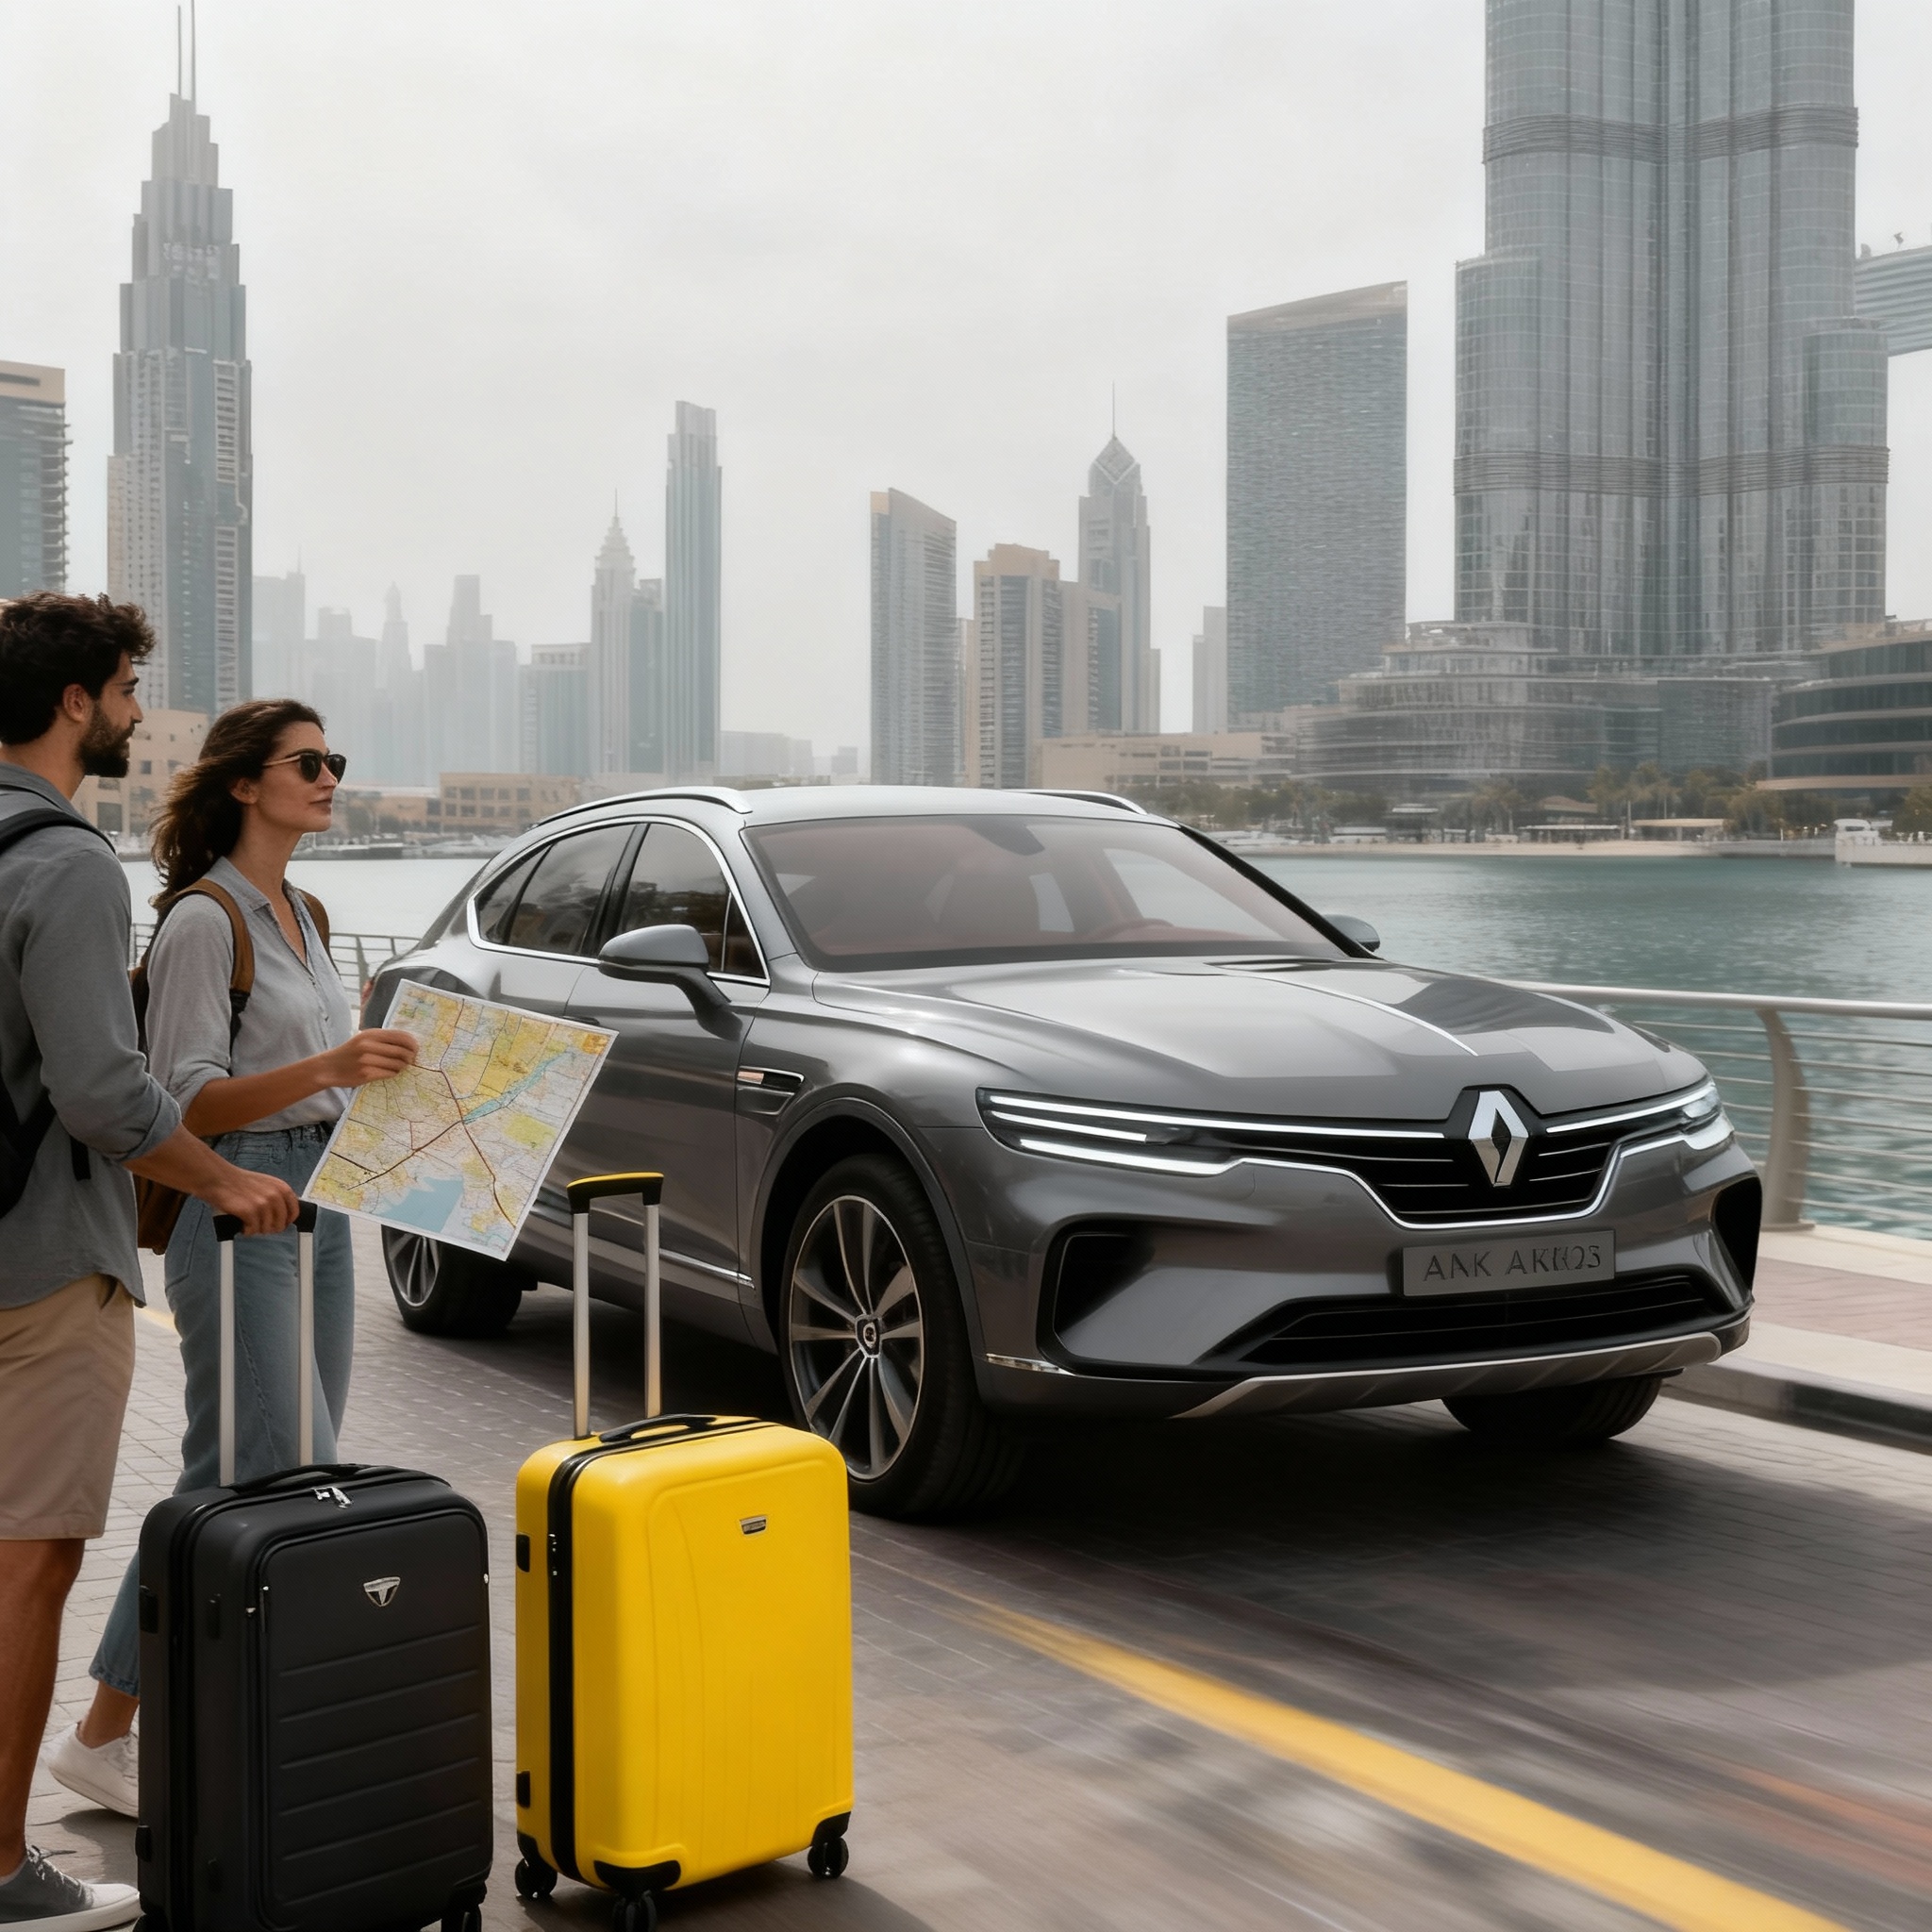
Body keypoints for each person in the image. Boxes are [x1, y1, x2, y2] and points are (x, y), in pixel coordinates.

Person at [47, 700, 418, 1821]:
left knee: (268, 1466)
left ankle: (127, 1725)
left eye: (334, 760)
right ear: (246, 784)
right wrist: (328, 1062)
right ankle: (117, 1728)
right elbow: (183, 1096)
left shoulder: (303, 907)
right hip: (239, 1199)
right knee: (262, 1466)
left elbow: (324, 1072)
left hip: (324, 1195)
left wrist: (373, 1075)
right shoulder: (207, 919)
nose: (329, 776)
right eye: (308, 762)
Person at [0, 594, 298, 1932]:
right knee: (30, 1559)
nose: (130, 713)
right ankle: (6, 1874)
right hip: (39, 1266)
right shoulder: (65, 863)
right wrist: (229, 1180)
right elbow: (106, 1096)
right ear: (76, 703)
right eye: (124, 689)